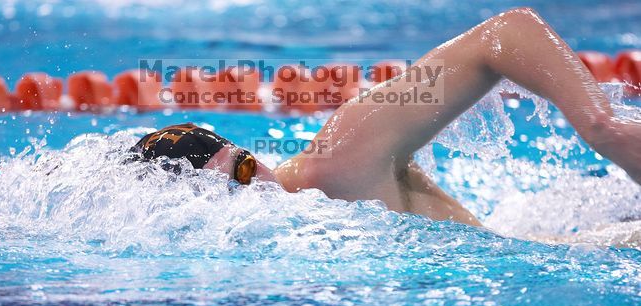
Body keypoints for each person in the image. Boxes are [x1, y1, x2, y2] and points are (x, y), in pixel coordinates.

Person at [130, 8, 641, 228]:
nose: (253, 192)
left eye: (243, 169)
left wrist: (602, 126)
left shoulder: (338, 164)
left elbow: (504, 34)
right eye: (228, 193)